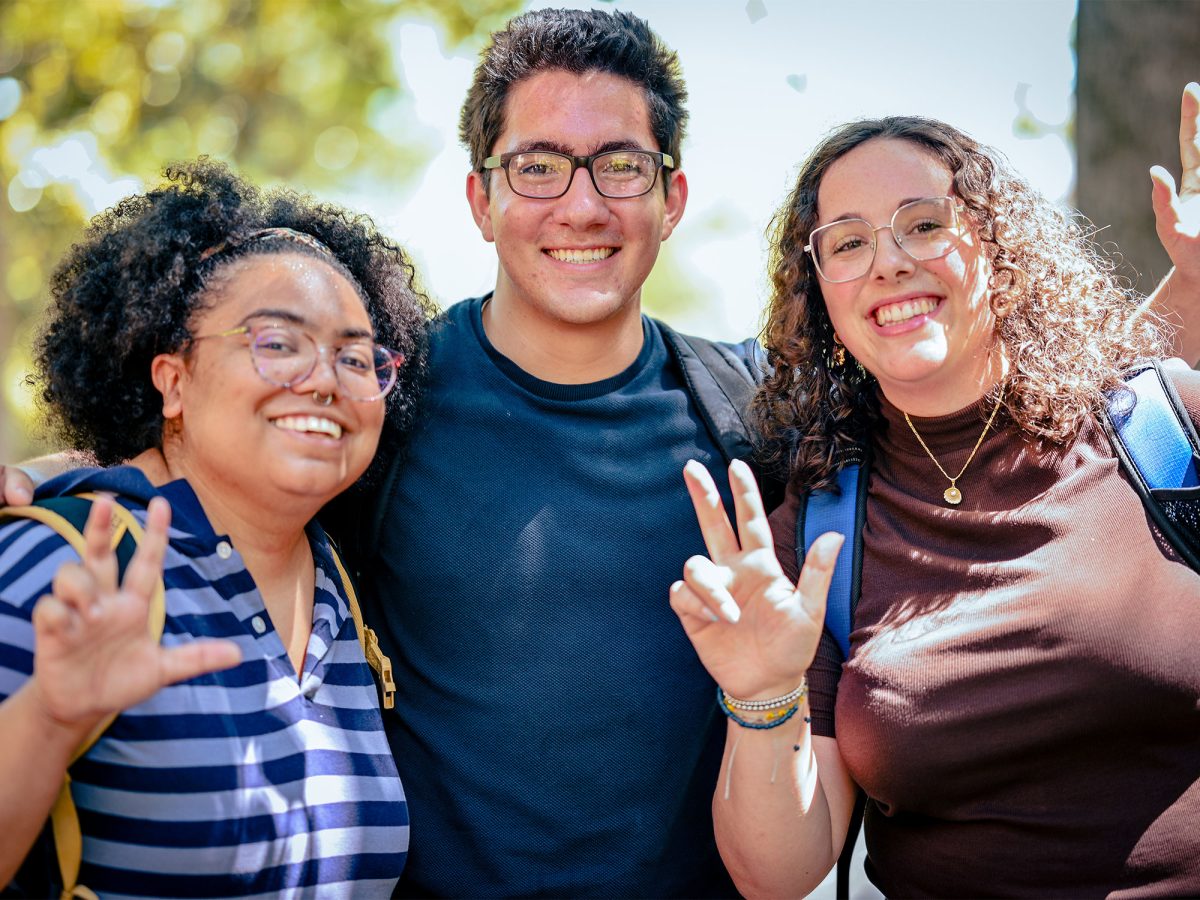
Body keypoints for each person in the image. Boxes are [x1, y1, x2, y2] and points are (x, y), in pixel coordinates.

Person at [3, 13, 1200, 898]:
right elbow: (245, 442)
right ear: (480, 198)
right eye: (538, 166)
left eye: (619, 165)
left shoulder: (753, 408)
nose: (581, 203)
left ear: (671, 196)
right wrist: (73, 470)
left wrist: (1175, 309)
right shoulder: (389, 403)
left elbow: (985, 398)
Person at [670, 104, 1200, 896]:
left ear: (995, 243)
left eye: (923, 224)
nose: (887, 262)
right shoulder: (812, 540)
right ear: (820, 295)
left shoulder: (1167, 426)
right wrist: (762, 695)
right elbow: (776, 876)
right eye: (848, 242)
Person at [0, 158, 433, 897]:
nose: (325, 379)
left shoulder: (346, 595)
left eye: (355, 357)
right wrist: (49, 718)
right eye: (277, 342)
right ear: (172, 380)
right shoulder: (59, 560)